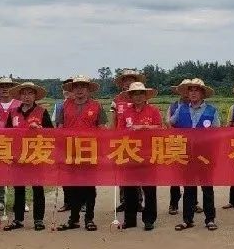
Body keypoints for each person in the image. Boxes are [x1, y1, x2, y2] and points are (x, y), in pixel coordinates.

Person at [55, 75, 107, 231]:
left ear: (88, 89)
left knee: (89, 187)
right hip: (70, 151)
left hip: (90, 151)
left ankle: (89, 218)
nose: (79, 90)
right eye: (76, 87)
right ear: (72, 89)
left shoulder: (97, 106)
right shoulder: (64, 106)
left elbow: (103, 129)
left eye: (83, 86)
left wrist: (102, 151)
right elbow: (59, 129)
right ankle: (74, 219)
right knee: (73, 187)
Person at [170, 78, 221, 231]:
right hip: (186, 154)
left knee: (207, 188)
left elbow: (218, 132)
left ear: (202, 93)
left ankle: (210, 219)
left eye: (196, 90)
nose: (193, 93)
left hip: (205, 155)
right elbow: (171, 123)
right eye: (190, 90)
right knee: (188, 188)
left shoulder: (212, 111)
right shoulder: (181, 109)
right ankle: (187, 219)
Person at [4, 82, 54, 231]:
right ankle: (18, 219)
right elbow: (6, 133)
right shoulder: (13, 112)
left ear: (35, 96)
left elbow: (51, 133)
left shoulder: (41, 112)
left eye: (30, 93)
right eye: (24, 93)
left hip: (36, 154)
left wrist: (40, 129)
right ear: (20, 96)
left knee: (37, 188)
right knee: (19, 188)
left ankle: (38, 219)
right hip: (18, 155)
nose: (26, 96)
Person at [118, 82, 162, 230]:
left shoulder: (153, 111)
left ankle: (149, 220)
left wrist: (144, 127)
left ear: (145, 96)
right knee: (129, 189)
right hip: (130, 153)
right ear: (130, 96)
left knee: (149, 189)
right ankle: (130, 220)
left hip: (149, 153)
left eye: (140, 94)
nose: (138, 97)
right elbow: (119, 131)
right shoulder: (125, 112)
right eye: (134, 94)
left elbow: (160, 128)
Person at [112, 69, 146, 213]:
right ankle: (124, 201)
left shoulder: (141, 98)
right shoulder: (116, 99)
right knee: (122, 171)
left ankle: (138, 201)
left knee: (137, 171)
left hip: (138, 141)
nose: (128, 83)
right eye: (125, 80)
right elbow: (114, 119)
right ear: (122, 83)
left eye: (131, 80)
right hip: (121, 140)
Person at [0, 76, 19, 213]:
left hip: (16, 142)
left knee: (18, 172)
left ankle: (20, 200)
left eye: (8, 86)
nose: (5, 89)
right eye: (2, 86)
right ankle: (0, 200)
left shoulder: (19, 104)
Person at [167, 80, 193, 215]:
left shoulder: (198, 106)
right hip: (177, 143)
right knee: (175, 176)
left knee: (192, 175)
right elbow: (168, 123)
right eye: (184, 90)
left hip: (194, 144)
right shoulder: (173, 106)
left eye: (190, 89)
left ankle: (193, 203)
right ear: (180, 92)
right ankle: (174, 203)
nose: (187, 93)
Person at [53, 77, 74, 212]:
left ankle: (83, 201)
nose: (66, 91)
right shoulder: (59, 106)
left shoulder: (87, 105)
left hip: (82, 145)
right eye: (64, 89)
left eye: (69, 88)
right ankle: (68, 202)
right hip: (64, 144)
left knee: (82, 174)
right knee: (65, 174)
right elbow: (57, 125)